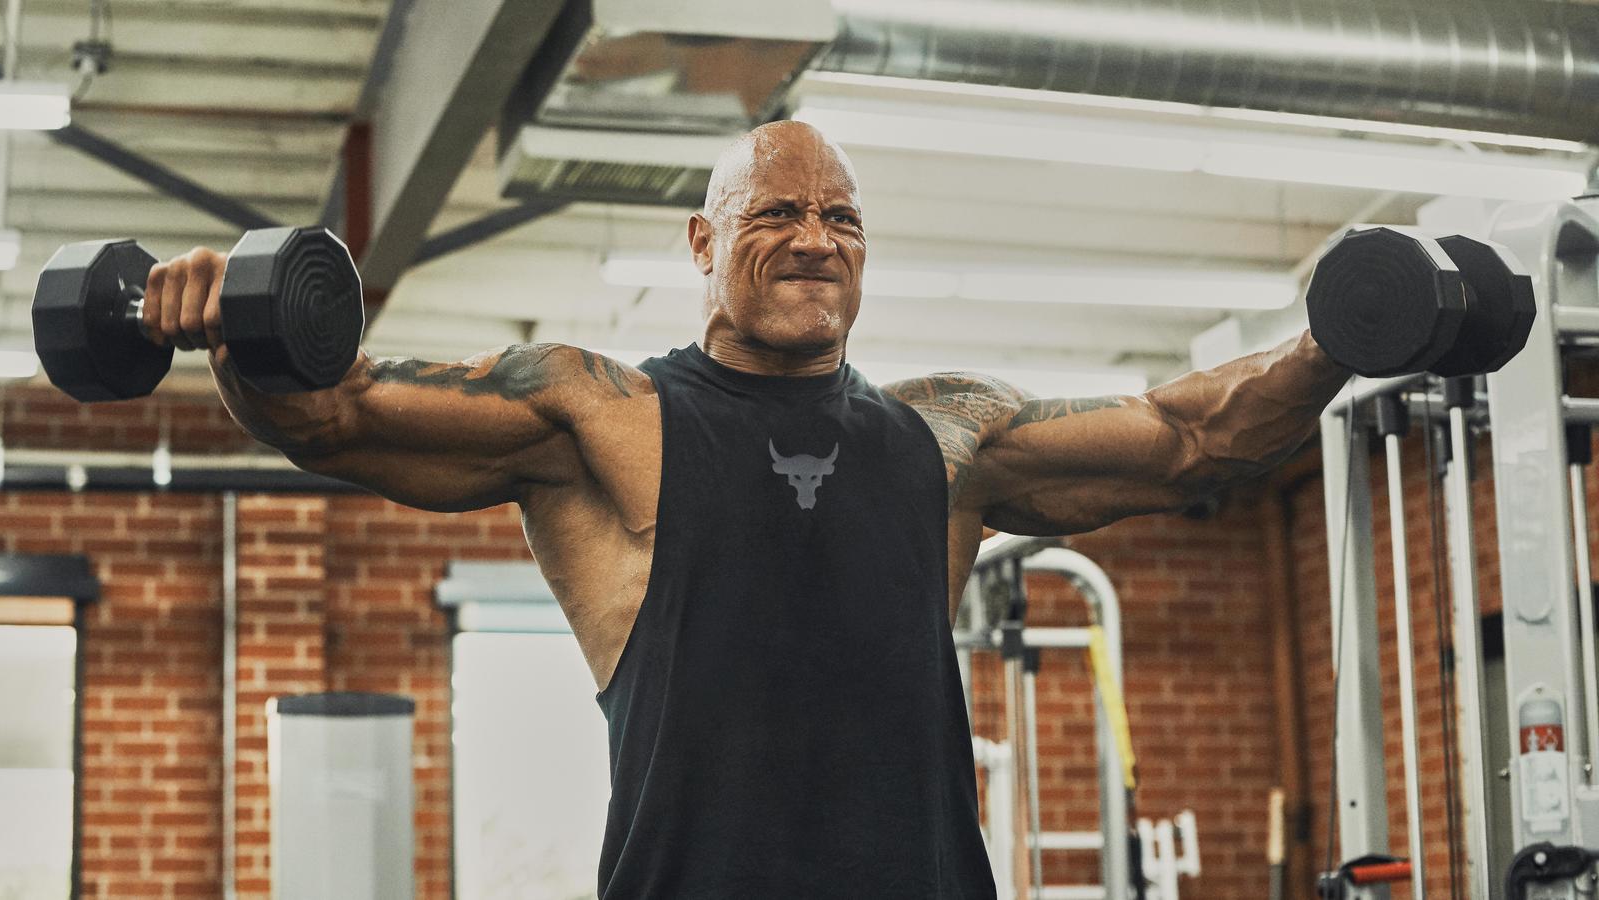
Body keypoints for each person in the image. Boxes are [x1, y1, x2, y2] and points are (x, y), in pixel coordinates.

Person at [143, 120, 1350, 898]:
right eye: (776, 213)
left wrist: (1338, 339)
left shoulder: (949, 437)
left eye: (841, 218)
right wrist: (237, 333)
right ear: (701, 240)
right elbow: (335, 416)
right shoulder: (599, 415)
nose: (814, 240)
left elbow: (1194, 437)